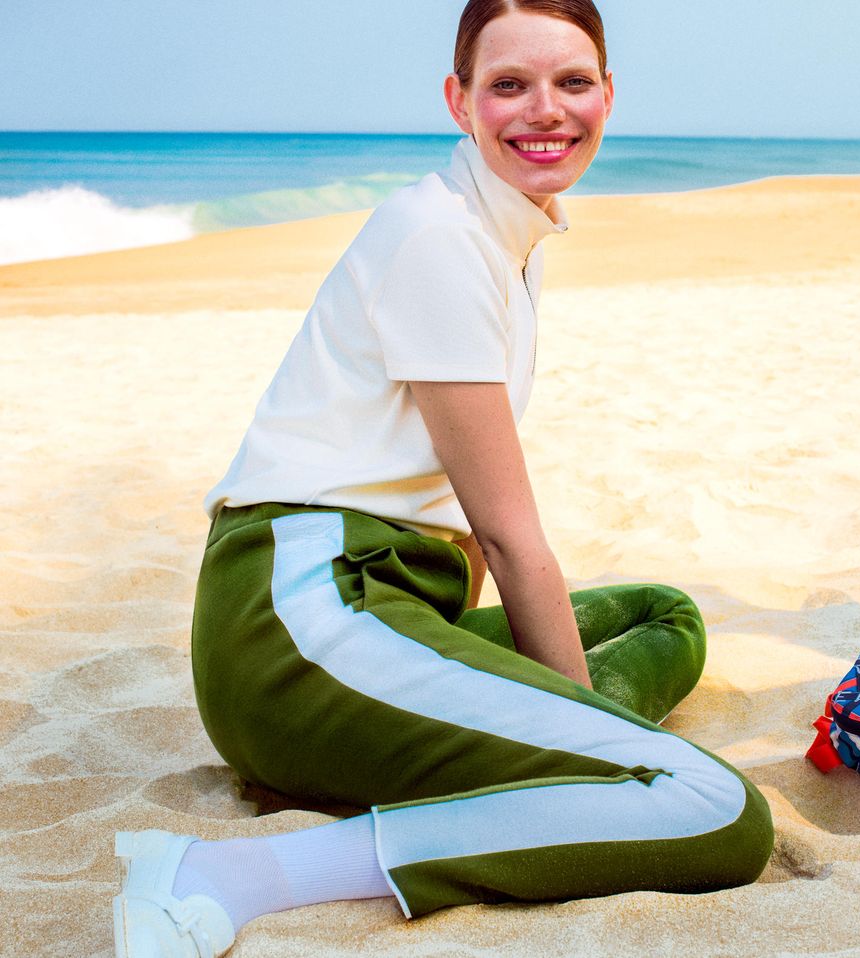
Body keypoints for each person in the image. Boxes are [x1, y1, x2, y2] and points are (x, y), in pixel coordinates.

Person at [112, 2, 774, 955]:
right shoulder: (441, 239)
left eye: (571, 82)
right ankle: (233, 871)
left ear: (608, 95)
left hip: (391, 606)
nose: (545, 110)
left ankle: (533, 769)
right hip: (300, 625)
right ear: (460, 100)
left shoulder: (506, 229)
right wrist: (588, 737)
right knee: (716, 811)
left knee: (664, 617)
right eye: (509, 85)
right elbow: (507, 539)